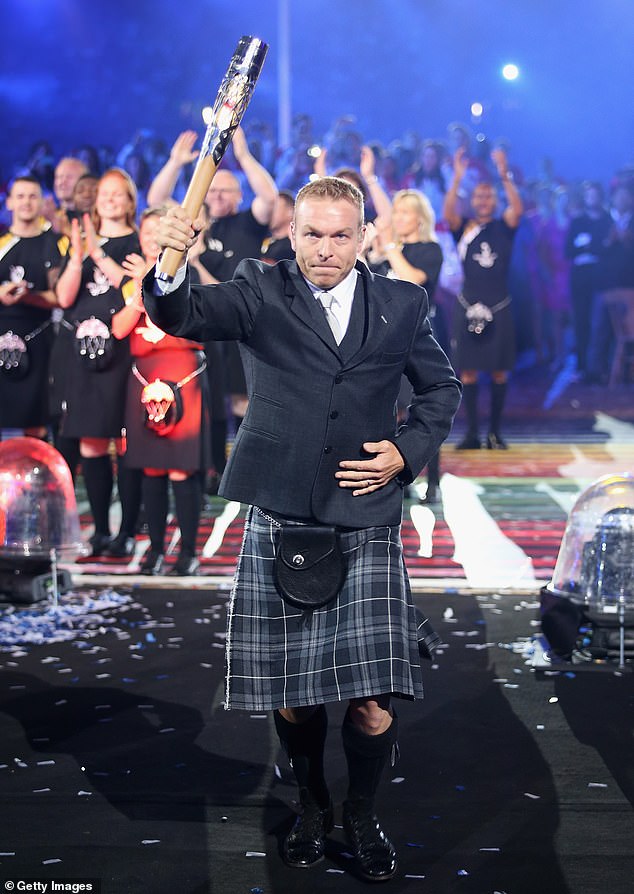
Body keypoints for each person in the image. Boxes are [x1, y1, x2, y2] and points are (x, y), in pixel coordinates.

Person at [143, 176, 461, 882]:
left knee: (375, 701)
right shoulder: (259, 286)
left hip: (367, 517)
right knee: (295, 694)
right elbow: (182, 312)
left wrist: (407, 451)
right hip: (283, 512)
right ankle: (314, 804)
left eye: (340, 235)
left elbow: (442, 389)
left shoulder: (404, 303)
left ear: (365, 237)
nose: (324, 248)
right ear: (294, 235)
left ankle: (362, 813)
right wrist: (167, 265)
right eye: (312, 234)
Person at [116, 206, 209, 575]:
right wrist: (141, 291)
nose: (153, 238)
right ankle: (155, 550)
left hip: (182, 375)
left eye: (161, 230)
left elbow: (201, 325)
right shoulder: (133, 280)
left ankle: (188, 552)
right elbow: (119, 330)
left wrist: (163, 315)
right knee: (151, 469)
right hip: (144, 379)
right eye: (148, 231)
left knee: (181, 471)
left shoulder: (191, 273)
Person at [55, 168, 141, 556]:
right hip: (82, 349)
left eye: (117, 194)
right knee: (90, 443)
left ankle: (127, 531)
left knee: (124, 443)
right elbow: (64, 297)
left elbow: (128, 287)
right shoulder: (74, 241)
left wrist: (96, 252)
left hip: (120, 348)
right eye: (103, 193)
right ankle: (100, 531)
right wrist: (77, 257)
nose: (108, 199)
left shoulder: (136, 241)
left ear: (129, 201)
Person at [443, 146, 523, 449]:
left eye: (489, 196)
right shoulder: (463, 227)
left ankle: (495, 432)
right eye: (479, 196)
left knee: (500, 371)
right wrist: (457, 177)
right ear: (472, 200)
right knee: (468, 371)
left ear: (495, 200)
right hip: (468, 304)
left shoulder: (505, 227)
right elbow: (448, 212)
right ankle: (473, 432)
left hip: (500, 303)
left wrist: (504, 175)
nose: (484, 200)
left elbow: (517, 208)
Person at [370, 189, 445, 502]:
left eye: (404, 212)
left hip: (419, 340)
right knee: (391, 411)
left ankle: (435, 482)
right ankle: (398, 475)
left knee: (423, 409)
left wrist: (389, 247)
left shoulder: (430, 249)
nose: (397, 218)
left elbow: (413, 279)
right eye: (395, 212)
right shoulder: (388, 250)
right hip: (385, 339)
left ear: (419, 218)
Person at [0, 176, 64, 439]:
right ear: (10, 202)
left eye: (32, 196)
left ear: (42, 202)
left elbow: (61, 297)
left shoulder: (54, 243)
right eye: (21, 196)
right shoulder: (2, 242)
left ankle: (35, 478)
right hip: (2, 333)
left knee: (36, 421)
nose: (26, 202)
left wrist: (30, 296)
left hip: (39, 339)